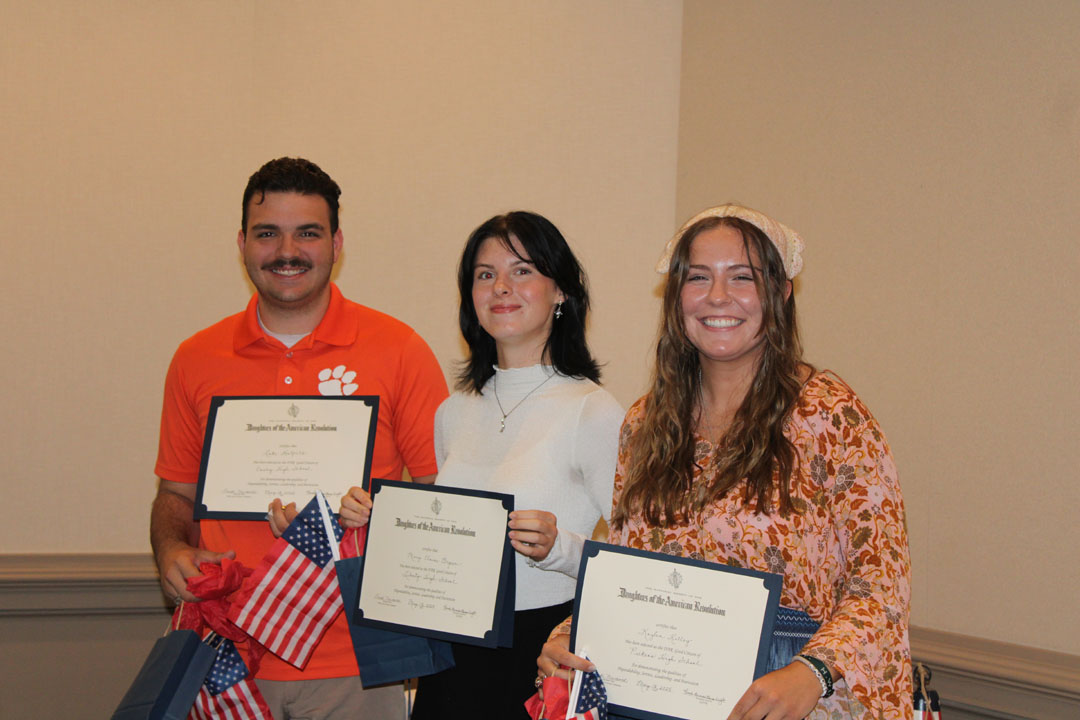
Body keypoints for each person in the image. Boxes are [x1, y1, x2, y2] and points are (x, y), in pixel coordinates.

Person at [538, 204, 912, 720]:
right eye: (698, 278)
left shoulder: (831, 414)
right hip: (663, 696)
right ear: (676, 297)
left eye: (742, 277)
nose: (718, 297)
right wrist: (568, 638)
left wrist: (814, 672)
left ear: (780, 294)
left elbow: (882, 585)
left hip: (793, 696)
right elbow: (628, 568)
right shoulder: (646, 423)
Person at [150, 157, 448, 719]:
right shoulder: (195, 359)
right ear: (242, 244)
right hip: (225, 655)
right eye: (268, 233)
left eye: (307, 233)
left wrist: (365, 514)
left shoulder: (400, 350)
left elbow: (439, 502)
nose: (287, 251)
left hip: (355, 660)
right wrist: (172, 548)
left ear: (337, 243)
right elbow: (175, 495)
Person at [342, 211, 624, 719]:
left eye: (522, 270)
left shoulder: (593, 410)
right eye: (484, 274)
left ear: (560, 291)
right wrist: (375, 518)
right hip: (449, 651)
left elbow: (636, 559)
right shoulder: (454, 411)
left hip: (542, 649)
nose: (500, 287)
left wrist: (559, 549)